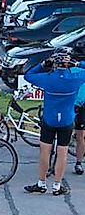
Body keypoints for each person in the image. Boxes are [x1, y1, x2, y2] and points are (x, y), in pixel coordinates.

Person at [23, 49, 85, 195]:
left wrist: (43, 64)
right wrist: (78, 63)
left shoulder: (48, 78)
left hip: (49, 119)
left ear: (54, 64)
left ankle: (41, 183)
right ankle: (57, 186)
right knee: (62, 152)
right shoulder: (76, 77)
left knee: (45, 151)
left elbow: (28, 75)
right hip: (66, 120)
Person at [75, 81, 85, 175]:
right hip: (69, 103)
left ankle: (79, 162)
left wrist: (78, 104)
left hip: (80, 105)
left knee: (80, 136)